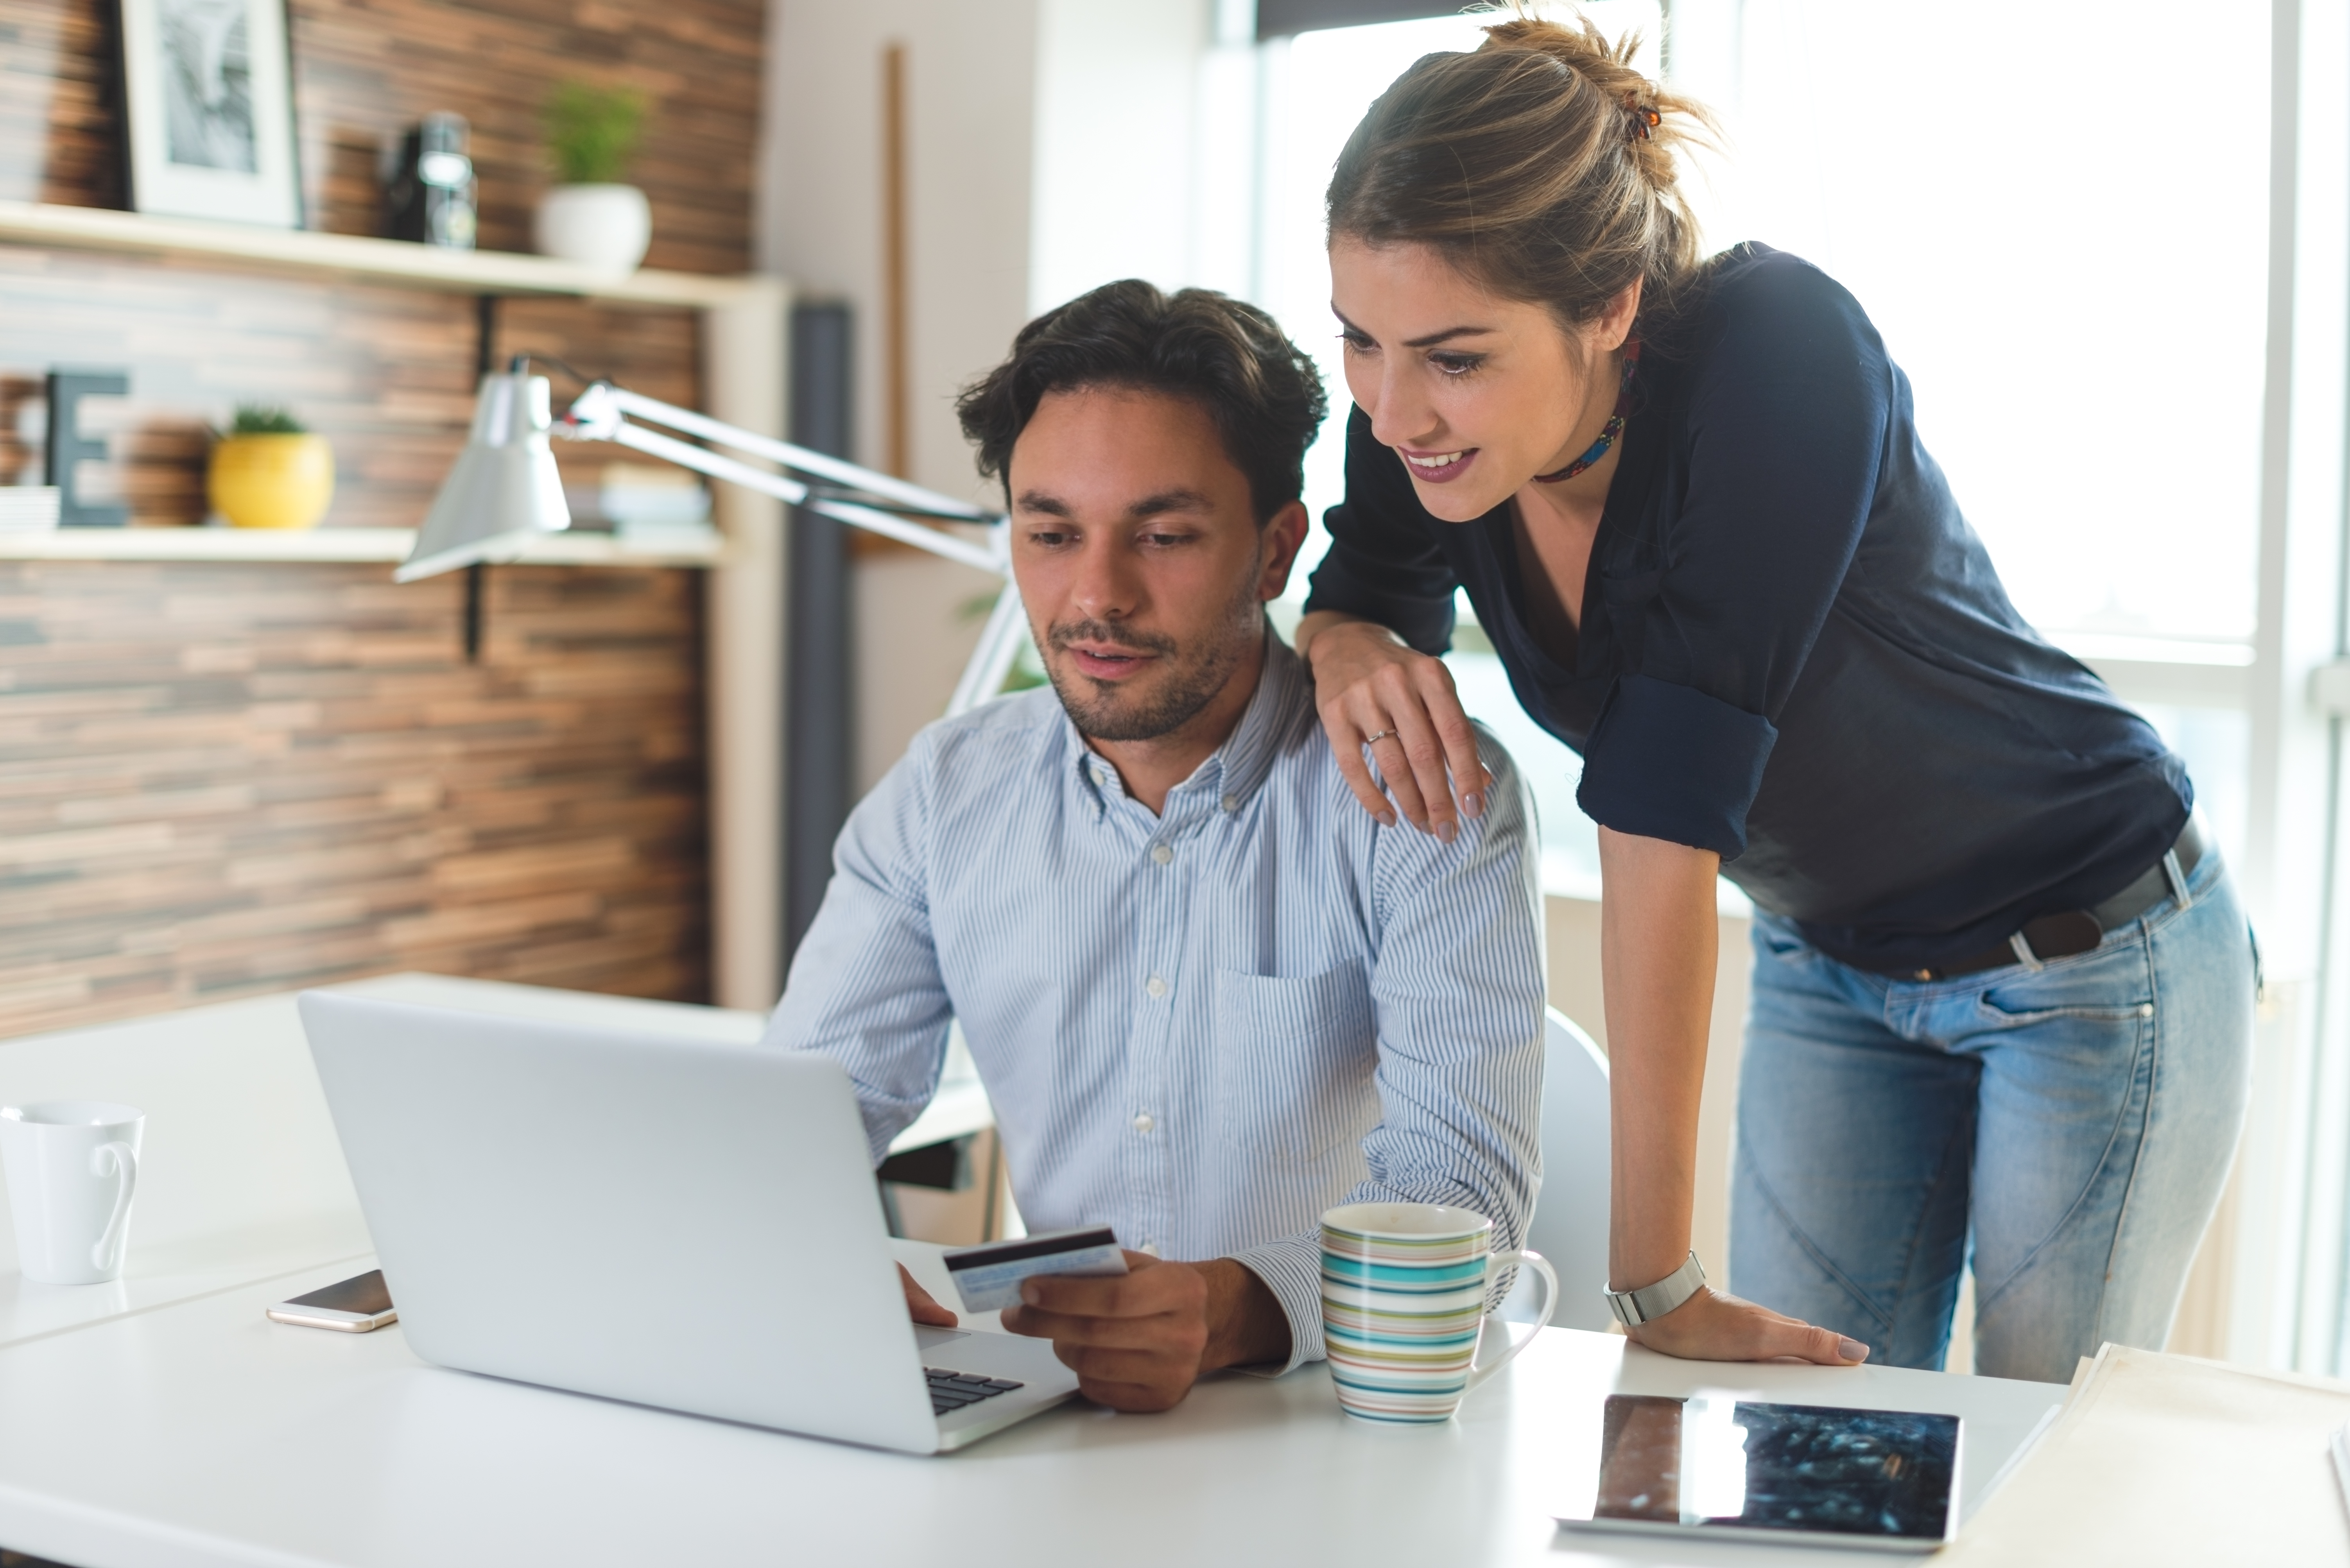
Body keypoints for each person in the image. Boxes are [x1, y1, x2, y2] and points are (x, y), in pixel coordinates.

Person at [1294, 16, 2255, 1382]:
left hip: (2087, 949)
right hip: (1832, 963)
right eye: (1357, 341)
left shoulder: (1774, 349)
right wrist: (1342, 641)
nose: (1392, 412)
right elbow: (1366, 581)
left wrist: (1651, 1286)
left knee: (2034, 1462)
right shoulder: (1417, 418)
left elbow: (1662, 802)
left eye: (1451, 356)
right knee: (1812, 1449)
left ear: (1611, 304)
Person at [765, 279, 1548, 1412]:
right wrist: (815, 1261)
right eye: (1050, 533)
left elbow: (1457, 1199)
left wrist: (1234, 1306)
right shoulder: (946, 793)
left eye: (1164, 535)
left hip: (1343, 1424)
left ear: (1275, 550)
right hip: (1065, 1419)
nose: (1096, 595)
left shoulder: (1417, 789)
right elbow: (802, 1113)